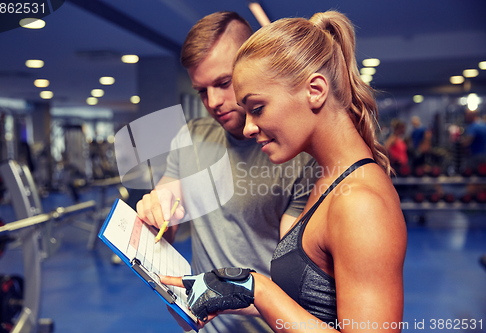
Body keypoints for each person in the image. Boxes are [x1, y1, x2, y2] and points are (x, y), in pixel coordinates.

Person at [162, 10, 407, 332]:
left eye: (258, 108)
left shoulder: (361, 203)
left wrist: (258, 288)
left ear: (315, 91)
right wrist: (236, 293)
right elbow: (310, 306)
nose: (249, 127)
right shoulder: (330, 182)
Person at [136, 12, 318, 333]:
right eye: (201, 91)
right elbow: (168, 208)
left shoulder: (296, 157)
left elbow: (296, 282)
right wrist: (155, 211)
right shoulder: (191, 137)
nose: (214, 102)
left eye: (223, 83)